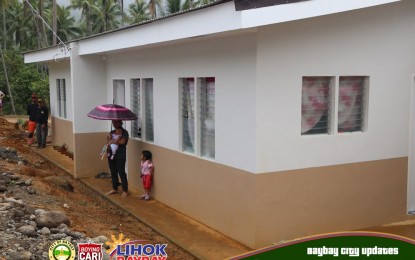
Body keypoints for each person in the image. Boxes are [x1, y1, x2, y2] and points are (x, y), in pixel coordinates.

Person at [106, 120, 129, 198]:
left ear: (121, 123)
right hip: (111, 154)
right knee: (113, 172)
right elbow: (108, 141)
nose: (114, 124)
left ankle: (125, 190)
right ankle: (115, 188)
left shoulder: (125, 132)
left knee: (121, 172)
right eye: (113, 122)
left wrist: (113, 141)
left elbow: (122, 142)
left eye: (116, 122)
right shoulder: (112, 132)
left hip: (120, 155)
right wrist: (109, 139)